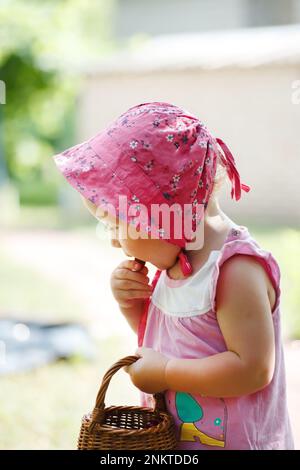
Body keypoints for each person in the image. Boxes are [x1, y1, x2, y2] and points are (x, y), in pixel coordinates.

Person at [53, 101, 294, 450]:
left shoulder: (234, 270)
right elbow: (168, 341)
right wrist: (131, 305)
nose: (114, 239)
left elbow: (253, 369)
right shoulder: (175, 265)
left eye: (116, 223)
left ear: (163, 210)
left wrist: (166, 373)